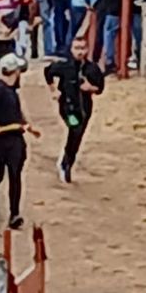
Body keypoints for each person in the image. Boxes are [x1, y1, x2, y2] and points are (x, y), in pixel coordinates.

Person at [0, 53, 39, 229]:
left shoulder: (11, 91)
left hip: (14, 138)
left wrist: (27, 124)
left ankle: (14, 214)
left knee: (15, 176)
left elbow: (17, 111)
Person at [44, 31, 105, 183]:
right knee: (74, 128)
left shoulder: (92, 68)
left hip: (85, 108)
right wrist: (54, 91)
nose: (79, 52)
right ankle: (66, 163)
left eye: (82, 48)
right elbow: (48, 72)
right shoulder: (64, 66)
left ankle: (68, 160)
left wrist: (89, 87)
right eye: (77, 48)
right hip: (67, 107)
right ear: (71, 49)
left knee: (78, 135)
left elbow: (100, 88)